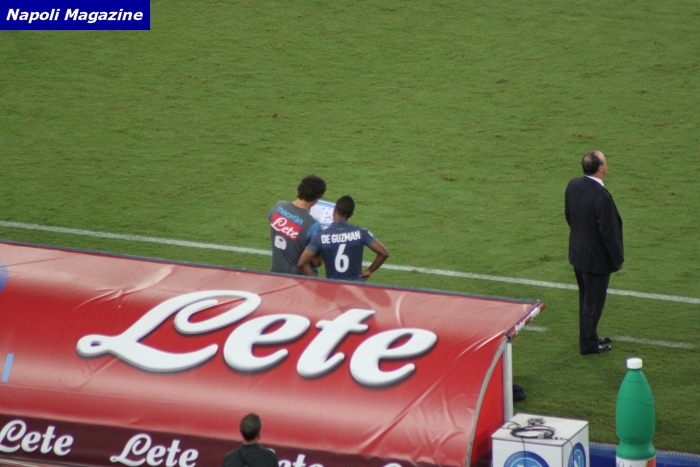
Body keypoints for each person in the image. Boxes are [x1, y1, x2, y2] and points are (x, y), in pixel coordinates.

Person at [565, 150, 624, 355]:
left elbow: (569, 216)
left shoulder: (574, 185)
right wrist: (618, 259)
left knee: (586, 300)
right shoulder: (601, 197)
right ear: (600, 168)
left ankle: (589, 337)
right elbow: (609, 233)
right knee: (593, 304)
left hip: (578, 254)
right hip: (596, 260)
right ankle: (589, 345)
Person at [297, 195, 389, 281]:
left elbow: (301, 263)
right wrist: (370, 270)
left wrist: (315, 281)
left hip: (334, 288)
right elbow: (384, 253)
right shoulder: (361, 233)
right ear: (351, 214)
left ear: (334, 210)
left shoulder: (320, 236)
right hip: (356, 287)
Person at [269, 175, 326, 275]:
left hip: (276, 275)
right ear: (317, 198)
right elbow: (316, 262)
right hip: (298, 278)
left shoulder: (277, 207)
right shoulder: (313, 225)